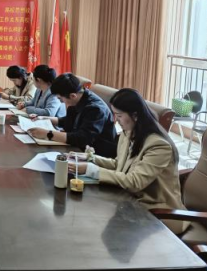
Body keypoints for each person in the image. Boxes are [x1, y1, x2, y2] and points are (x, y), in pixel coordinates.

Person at [69, 88, 188, 234]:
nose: (115, 119)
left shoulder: (159, 145)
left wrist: (90, 170)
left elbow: (134, 182)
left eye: (119, 115)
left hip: (159, 212)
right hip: (130, 203)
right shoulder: (128, 132)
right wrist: (90, 159)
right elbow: (119, 165)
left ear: (135, 115)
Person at [28, 73, 117, 157]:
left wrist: (47, 134)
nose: (61, 102)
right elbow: (69, 121)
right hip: (77, 147)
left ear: (73, 96)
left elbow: (83, 138)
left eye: (60, 98)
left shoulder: (95, 109)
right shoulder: (78, 98)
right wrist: (45, 119)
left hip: (95, 153)